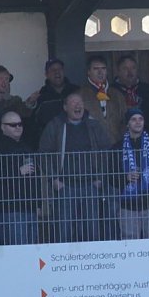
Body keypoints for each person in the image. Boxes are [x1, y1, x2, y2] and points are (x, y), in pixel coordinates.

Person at [38, 92, 113, 243]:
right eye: (73, 103)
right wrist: (54, 179)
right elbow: (43, 153)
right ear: (65, 107)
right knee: (63, 231)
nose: (78, 106)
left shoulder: (93, 125)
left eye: (80, 102)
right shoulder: (56, 125)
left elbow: (106, 151)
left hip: (90, 185)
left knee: (92, 231)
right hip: (65, 186)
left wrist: (100, 177)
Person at [0, 110, 39, 245]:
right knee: (17, 249)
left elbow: (35, 177)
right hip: (9, 208)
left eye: (20, 124)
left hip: (29, 206)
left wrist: (38, 202)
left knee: (31, 249)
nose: (18, 127)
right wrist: (17, 172)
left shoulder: (26, 147)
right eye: (13, 125)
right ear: (3, 127)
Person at [111, 108, 149, 240]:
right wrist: (125, 178)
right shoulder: (117, 148)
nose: (138, 122)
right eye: (133, 119)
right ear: (127, 124)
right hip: (128, 204)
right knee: (129, 241)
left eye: (140, 119)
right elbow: (109, 175)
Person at [24, 58, 80, 150]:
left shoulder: (76, 91)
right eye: (53, 70)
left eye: (60, 69)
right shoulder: (41, 96)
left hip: (74, 142)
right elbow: (33, 124)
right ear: (46, 74)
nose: (57, 72)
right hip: (49, 144)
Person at [78, 54, 127, 143]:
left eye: (103, 68)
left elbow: (124, 121)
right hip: (91, 147)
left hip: (116, 145)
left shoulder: (117, 95)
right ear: (88, 71)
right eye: (96, 69)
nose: (100, 72)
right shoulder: (80, 95)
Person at [111, 54, 149, 128]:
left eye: (133, 68)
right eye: (125, 68)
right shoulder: (110, 92)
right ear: (118, 71)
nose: (130, 72)